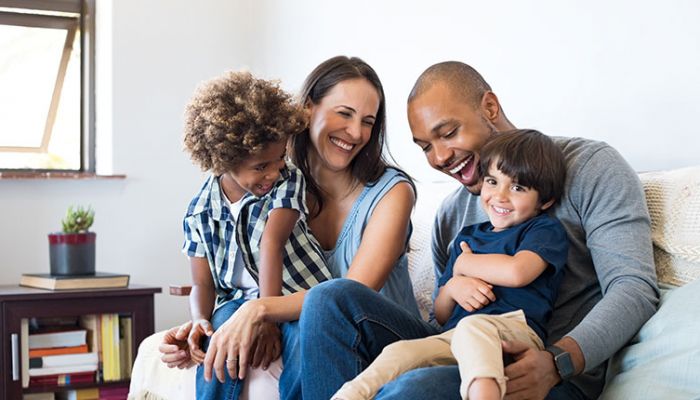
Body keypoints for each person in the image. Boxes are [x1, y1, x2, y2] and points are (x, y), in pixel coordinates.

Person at [298, 61, 659, 400]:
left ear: (489, 107)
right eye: (425, 147)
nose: (439, 158)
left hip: (542, 369)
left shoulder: (590, 167)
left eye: (448, 133)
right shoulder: (451, 214)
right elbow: (444, 316)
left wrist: (558, 362)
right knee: (329, 299)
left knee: (412, 388)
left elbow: (634, 288)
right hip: (460, 348)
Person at [158, 56, 420, 400]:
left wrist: (261, 309)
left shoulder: (391, 192)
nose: (356, 132)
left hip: (377, 333)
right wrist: (202, 325)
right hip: (312, 326)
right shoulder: (270, 181)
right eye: (344, 113)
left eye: (368, 121)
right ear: (308, 108)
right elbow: (236, 276)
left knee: (318, 314)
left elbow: (346, 299)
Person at [332, 129, 569, 400]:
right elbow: (442, 313)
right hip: (457, 335)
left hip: (513, 332)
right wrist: (454, 285)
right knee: (399, 352)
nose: (500, 196)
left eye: (517, 188)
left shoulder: (542, 229)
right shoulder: (467, 237)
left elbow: (518, 272)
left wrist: (466, 264)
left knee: (473, 328)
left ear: (545, 200)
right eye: (492, 181)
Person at [177, 71, 334, 398]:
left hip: (293, 297)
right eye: (262, 166)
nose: (273, 172)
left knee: (307, 339)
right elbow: (202, 284)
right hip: (235, 303)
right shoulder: (199, 211)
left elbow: (271, 245)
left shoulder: (288, 180)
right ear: (225, 158)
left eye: (279, 159)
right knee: (219, 337)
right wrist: (198, 321)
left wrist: (266, 319)